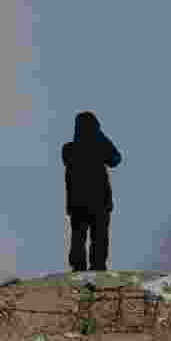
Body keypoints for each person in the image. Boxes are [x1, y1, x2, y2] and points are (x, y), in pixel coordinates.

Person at [62, 111, 121, 272]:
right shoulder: (99, 146)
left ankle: (78, 268)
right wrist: (100, 136)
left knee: (78, 237)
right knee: (99, 237)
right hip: (99, 202)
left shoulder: (68, 149)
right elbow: (116, 159)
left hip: (77, 203)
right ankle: (98, 267)